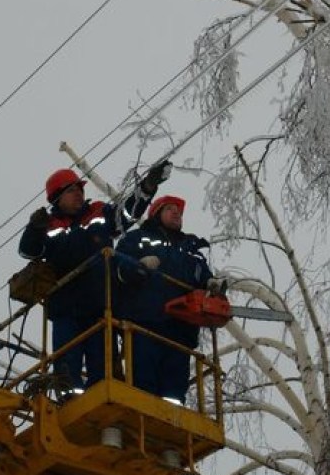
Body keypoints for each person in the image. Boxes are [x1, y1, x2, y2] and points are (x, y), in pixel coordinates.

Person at [19, 161, 171, 392]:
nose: (79, 194)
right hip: (66, 309)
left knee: (104, 369)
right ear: (57, 198)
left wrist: (147, 187)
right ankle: (69, 401)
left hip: (102, 306)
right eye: (71, 191)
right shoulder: (49, 226)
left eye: (80, 189)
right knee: (67, 371)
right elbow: (27, 251)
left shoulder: (98, 213)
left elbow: (127, 214)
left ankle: (104, 401)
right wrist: (33, 228)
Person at [115, 195, 225, 404]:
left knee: (173, 393)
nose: (177, 213)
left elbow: (202, 276)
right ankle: (143, 415)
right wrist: (138, 267)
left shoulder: (190, 249)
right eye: (170, 209)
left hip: (180, 330)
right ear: (157, 214)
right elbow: (117, 268)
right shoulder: (137, 238)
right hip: (145, 323)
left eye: (179, 211)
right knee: (143, 383)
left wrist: (211, 284)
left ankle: (171, 420)